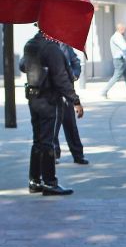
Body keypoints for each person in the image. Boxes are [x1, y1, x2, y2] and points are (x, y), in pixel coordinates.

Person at [19, 31, 84, 196]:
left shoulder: (31, 44)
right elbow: (61, 78)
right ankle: (49, 182)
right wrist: (75, 100)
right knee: (47, 141)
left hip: (34, 98)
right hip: (49, 99)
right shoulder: (51, 48)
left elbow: (22, 65)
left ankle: (35, 180)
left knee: (38, 140)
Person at [55, 43, 88, 165]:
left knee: (70, 125)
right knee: (54, 126)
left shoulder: (65, 45)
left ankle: (78, 154)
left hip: (68, 91)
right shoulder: (45, 45)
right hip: (53, 93)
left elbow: (75, 62)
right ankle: (54, 153)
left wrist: (74, 74)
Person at [102, 23, 126, 99]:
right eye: (123, 28)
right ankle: (104, 91)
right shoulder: (116, 37)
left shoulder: (119, 36)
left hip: (121, 59)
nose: (124, 30)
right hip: (119, 60)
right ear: (120, 29)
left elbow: (122, 49)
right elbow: (123, 47)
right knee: (116, 77)